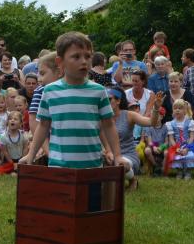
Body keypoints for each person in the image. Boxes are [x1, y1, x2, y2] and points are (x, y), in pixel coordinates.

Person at [20, 31, 125, 174]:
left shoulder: (99, 91)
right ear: (60, 62)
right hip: (59, 165)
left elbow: (108, 124)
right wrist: (31, 155)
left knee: (91, 197)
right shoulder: (50, 91)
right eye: (76, 56)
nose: (84, 61)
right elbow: (43, 126)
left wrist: (117, 155)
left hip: (92, 165)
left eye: (88, 56)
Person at [105, 87, 163, 190]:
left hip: (128, 155)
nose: (106, 102)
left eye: (109, 99)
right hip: (108, 154)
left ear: (118, 101)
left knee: (122, 165)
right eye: (104, 99)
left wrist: (156, 108)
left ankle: (132, 180)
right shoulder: (102, 117)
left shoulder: (129, 115)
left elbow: (151, 123)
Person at [166, 99, 194, 179]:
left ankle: (187, 171)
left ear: (185, 110)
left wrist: (187, 147)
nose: (177, 110)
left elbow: (191, 137)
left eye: (180, 108)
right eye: (175, 108)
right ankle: (179, 171)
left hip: (188, 145)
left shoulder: (190, 122)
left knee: (189, 155)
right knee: (175, 155)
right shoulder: (170, 123)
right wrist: (176, 148)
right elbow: (171, 138)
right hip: (176, 145)